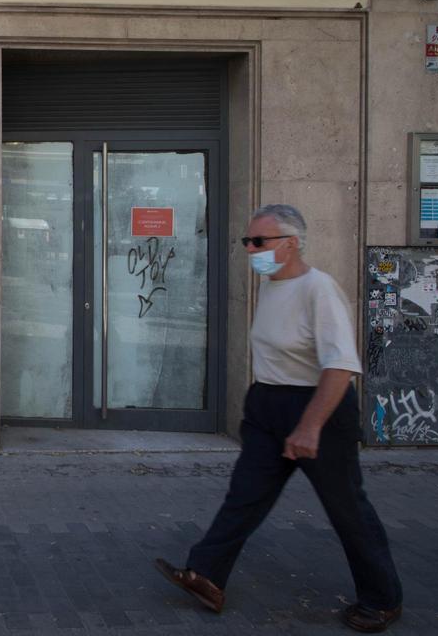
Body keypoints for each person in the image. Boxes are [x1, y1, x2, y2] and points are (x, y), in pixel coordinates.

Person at [155, 204, 403, 633]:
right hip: (267, 405)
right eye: (247, 241)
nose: (251, 249)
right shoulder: (271, 286)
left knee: (346, 507)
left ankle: (382, 599)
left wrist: (309, 426)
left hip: (317, 407)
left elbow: (340, 366)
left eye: (259, 242)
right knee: (244, 496)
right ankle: (206, 576)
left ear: (290, 244)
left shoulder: (318, 289)